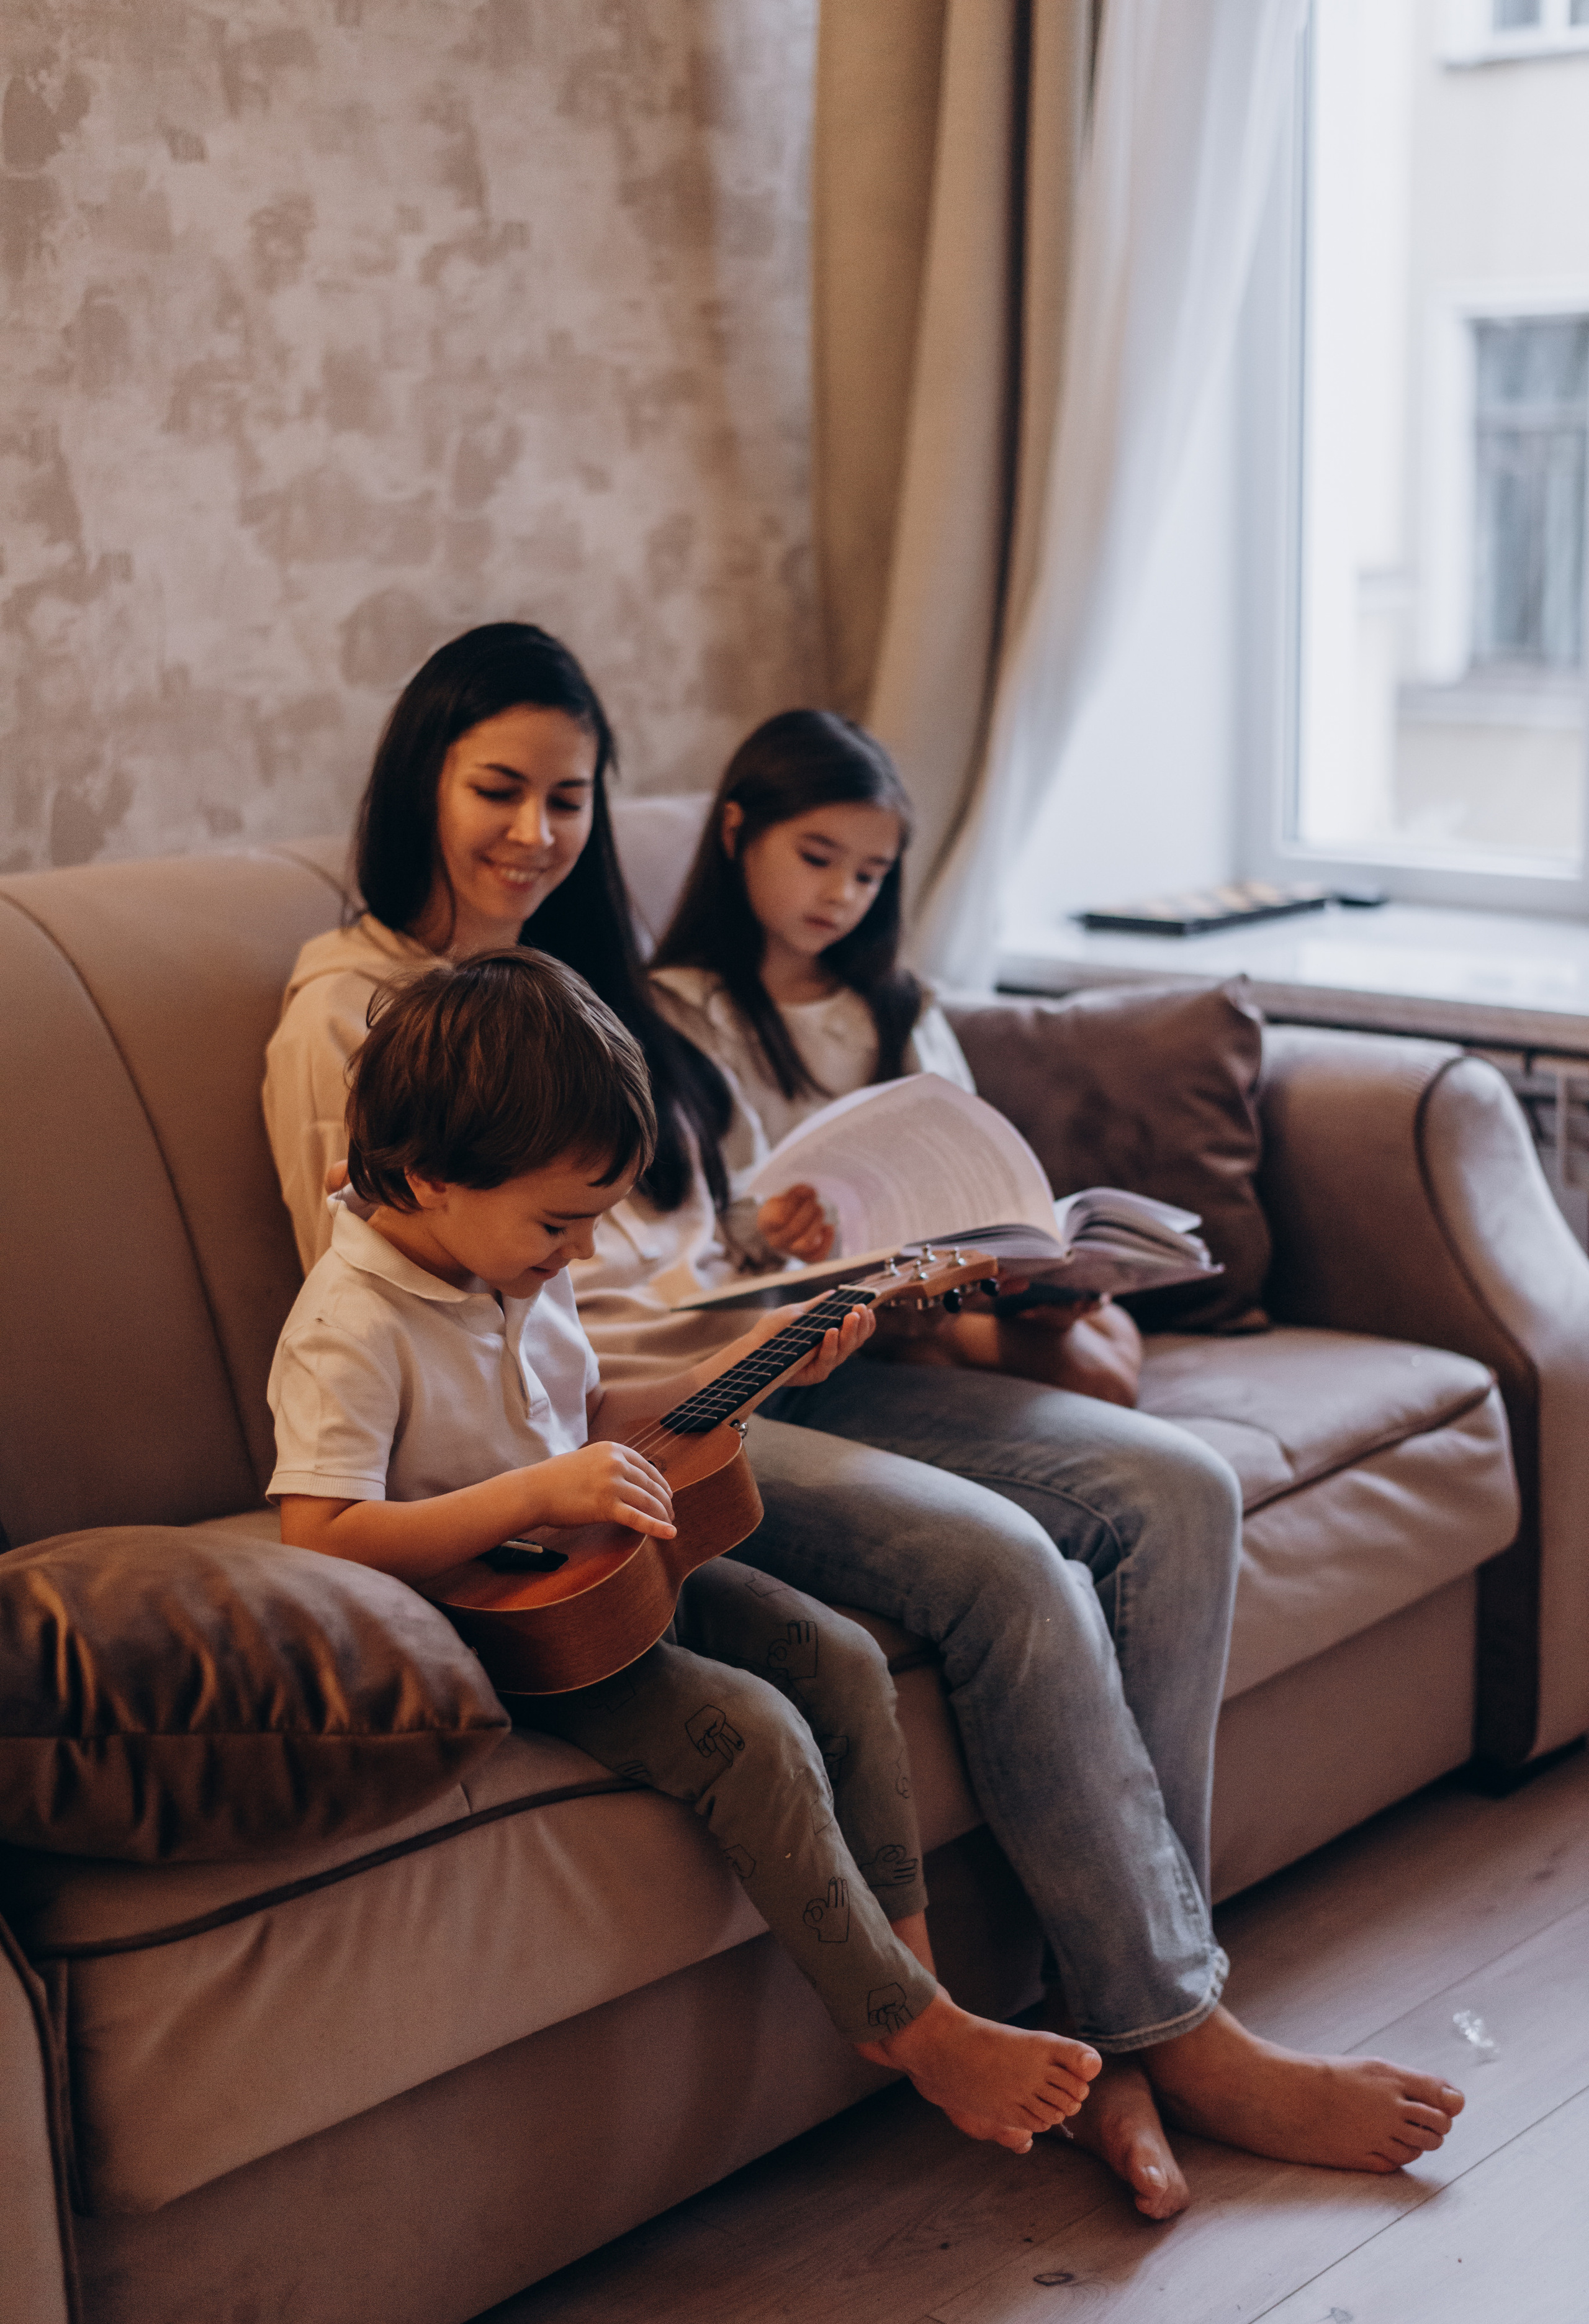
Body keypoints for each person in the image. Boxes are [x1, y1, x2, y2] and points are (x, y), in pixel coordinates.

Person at [263, 623, 1465, 2221]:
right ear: (418, 778)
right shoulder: (358, 1021)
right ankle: (1162, 2032)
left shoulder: (591, 977)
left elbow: (660, 1231)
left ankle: (1133, 2006)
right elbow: (420, 1306)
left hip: (739, 1352)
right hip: (640, 1415)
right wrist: (698, 1358)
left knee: (1176, 1488)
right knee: (1006, 1567)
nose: (537, 833)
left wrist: (797, 1266)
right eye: (499, 788)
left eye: (570, 796)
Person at [267, 946, 1101, 2150]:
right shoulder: (348, 1325)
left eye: (591, 1222)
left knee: (837, 1658)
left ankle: (911, 1980)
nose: (579, 1253)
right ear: (432, 1178)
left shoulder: (513, 1257)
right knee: (751, 1732)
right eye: (560, 1222)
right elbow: (321, 1530)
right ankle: (911, 2030)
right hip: (508, 1628)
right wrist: (531, 1491)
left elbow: (594, 1411)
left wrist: (755, 1356)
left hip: (598, 1562)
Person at [650, 707, 1140, 1406]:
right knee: (1103, 1375)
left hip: (930, 1273)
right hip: (805, 1296)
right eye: (817, 858)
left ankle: (966, 1336)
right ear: (736, 832)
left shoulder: (894, 1004)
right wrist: (770, 1223)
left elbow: (970, 1148)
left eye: (870, 874)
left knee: (1107, 1327)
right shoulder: (680, 1012)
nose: (841, 894)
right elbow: (688, 1214)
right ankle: (941, 1348)